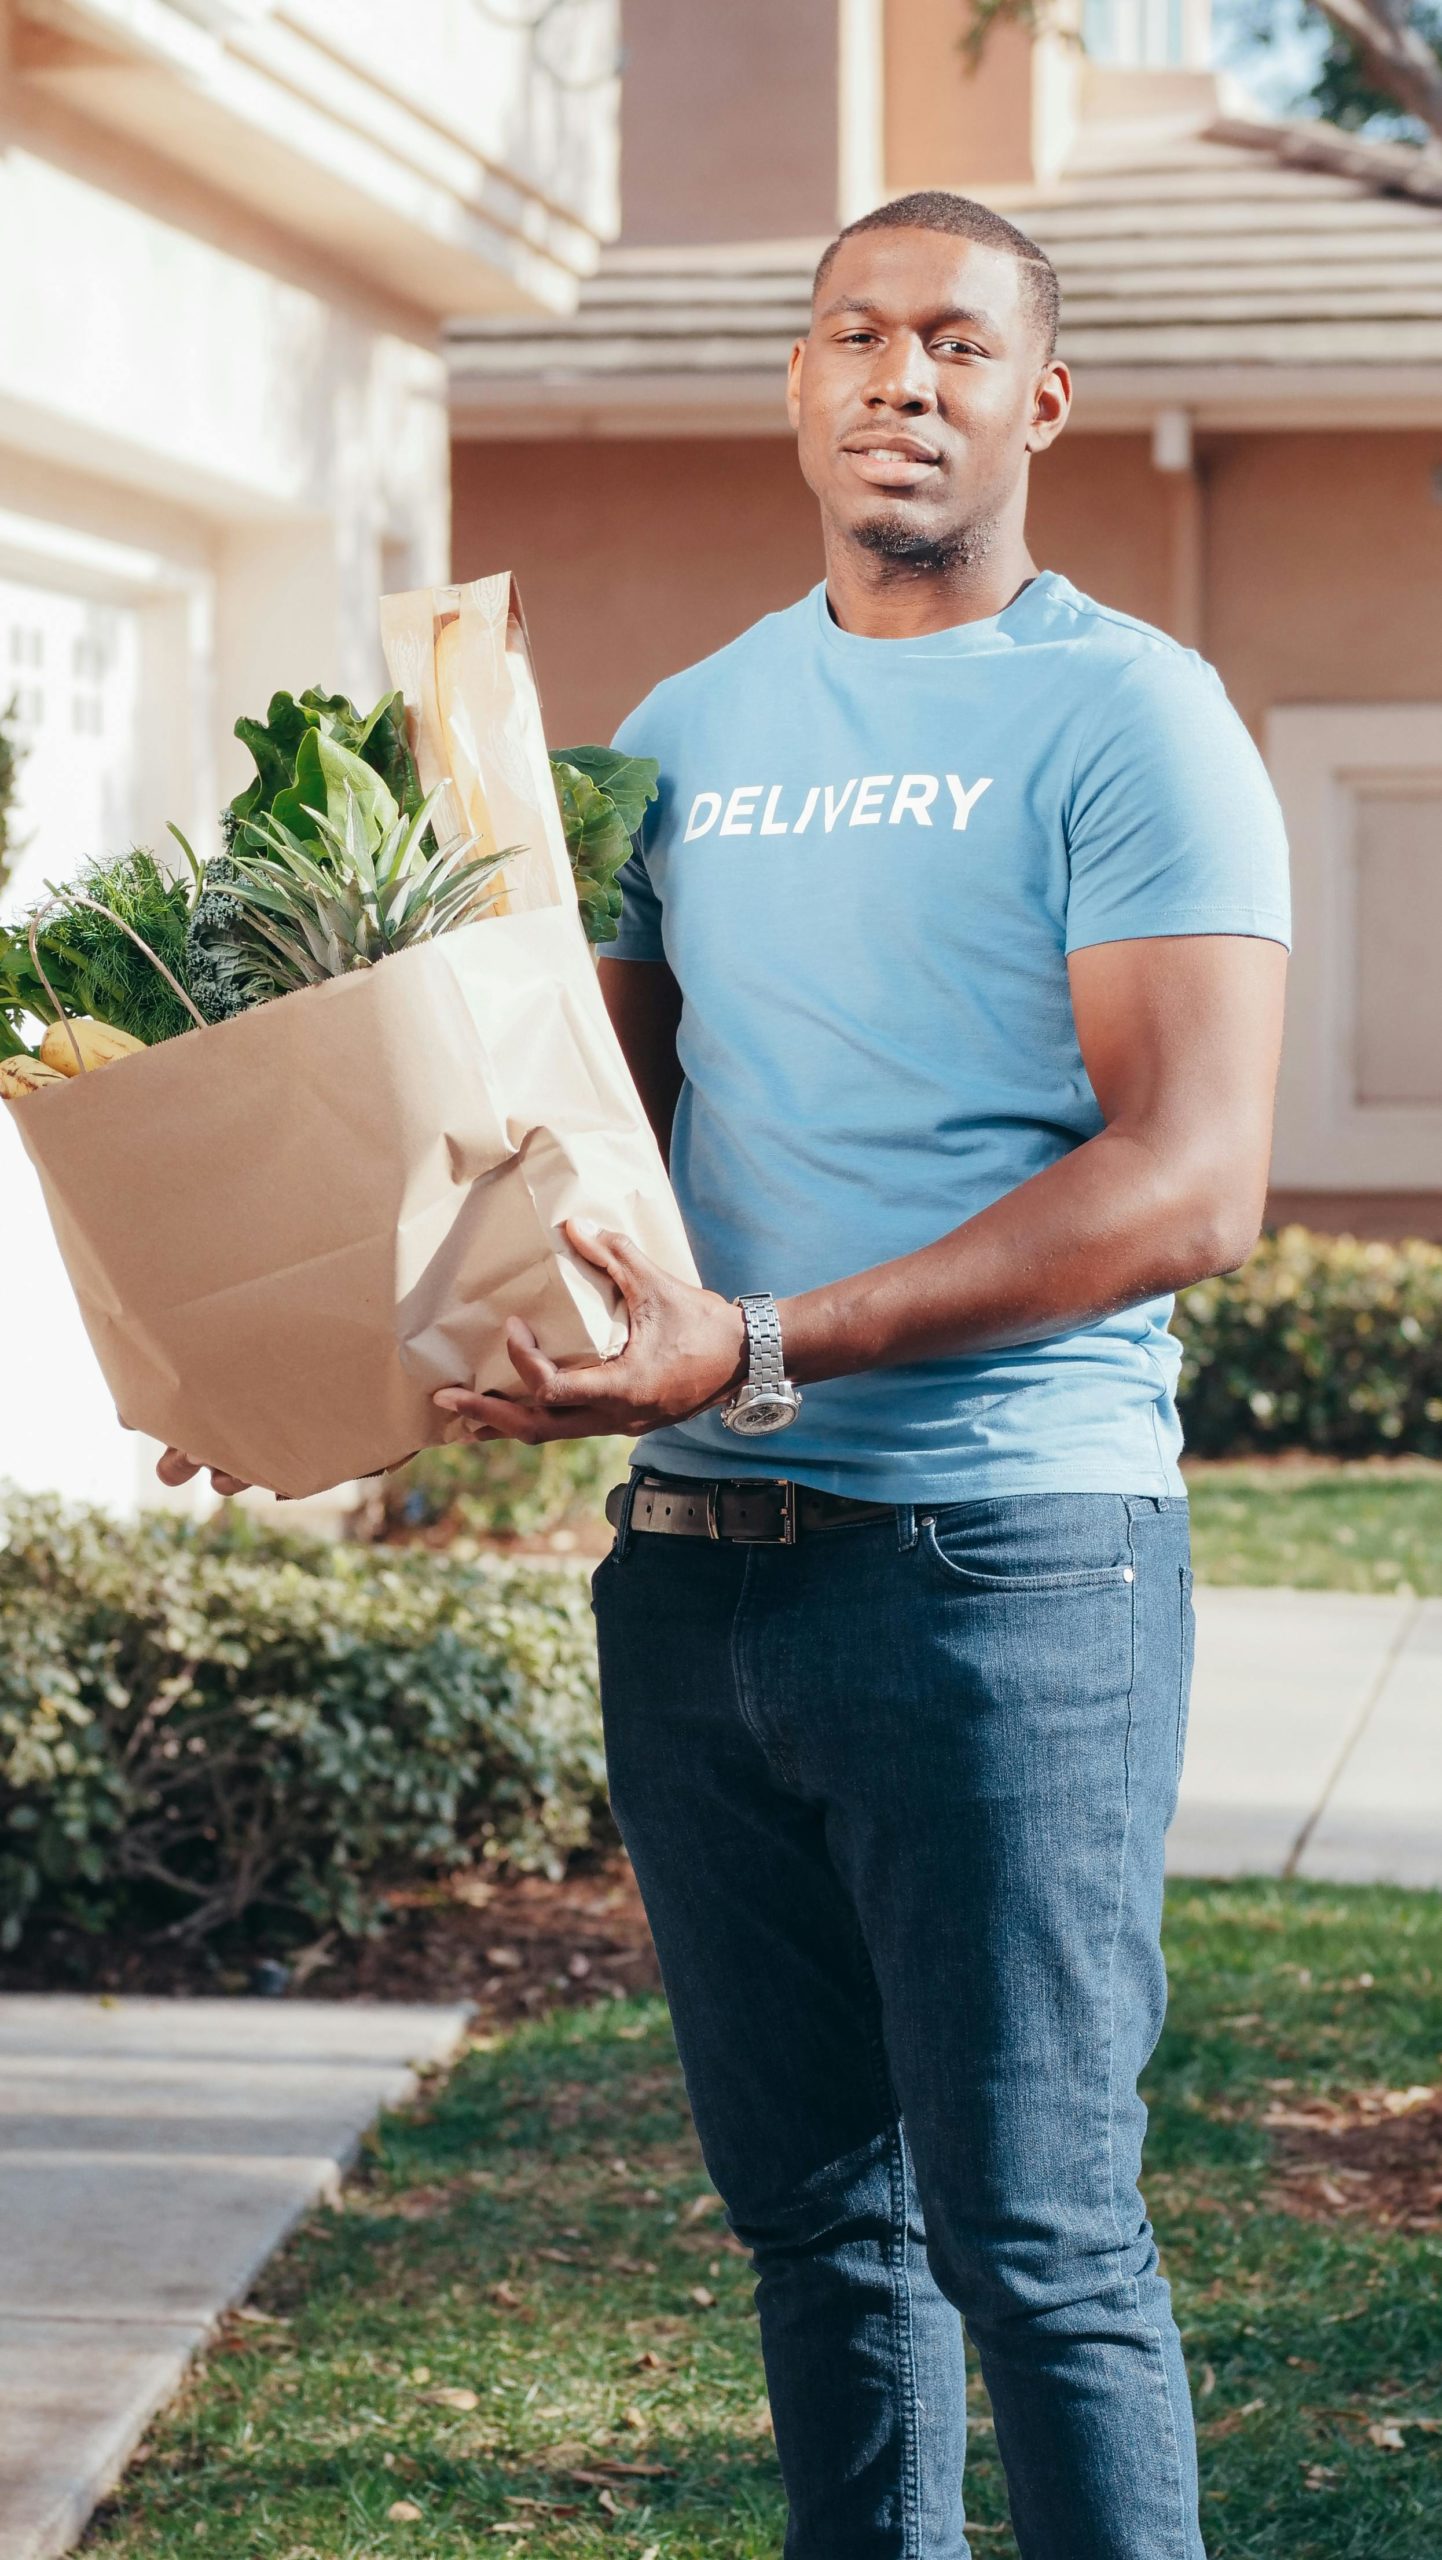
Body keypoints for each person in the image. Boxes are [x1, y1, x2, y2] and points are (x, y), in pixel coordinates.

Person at [166, 191, 1290, 2559]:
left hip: (1005, 1570)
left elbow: (1189, 1178)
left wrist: (765, 1342)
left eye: (958, 344)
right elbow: (561, 1143)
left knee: (1040, 2238)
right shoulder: (685, 732)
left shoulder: (1125, 713)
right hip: (695, 1578)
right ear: (795, 382)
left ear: (1038, 400)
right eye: (857, 334)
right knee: (820, 2232)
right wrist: (285, 1352)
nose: (902, 377)